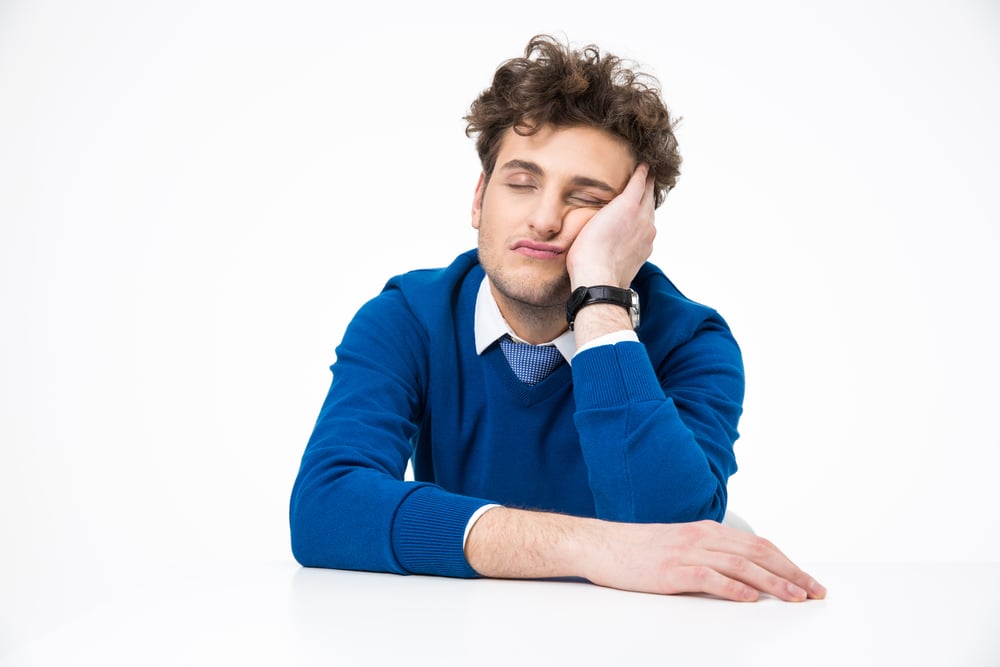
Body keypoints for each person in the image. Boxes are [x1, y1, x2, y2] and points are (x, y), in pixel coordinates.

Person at [289, 34, 826, 603]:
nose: (544, 219)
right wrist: (586, 547)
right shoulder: (408, 319)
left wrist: (601, 303)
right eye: (521, 183)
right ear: (479, 197)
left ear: (634, 225)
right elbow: (328, 508)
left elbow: (666, 532)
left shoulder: (692, 341)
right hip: (463, 633)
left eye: (588, 198)